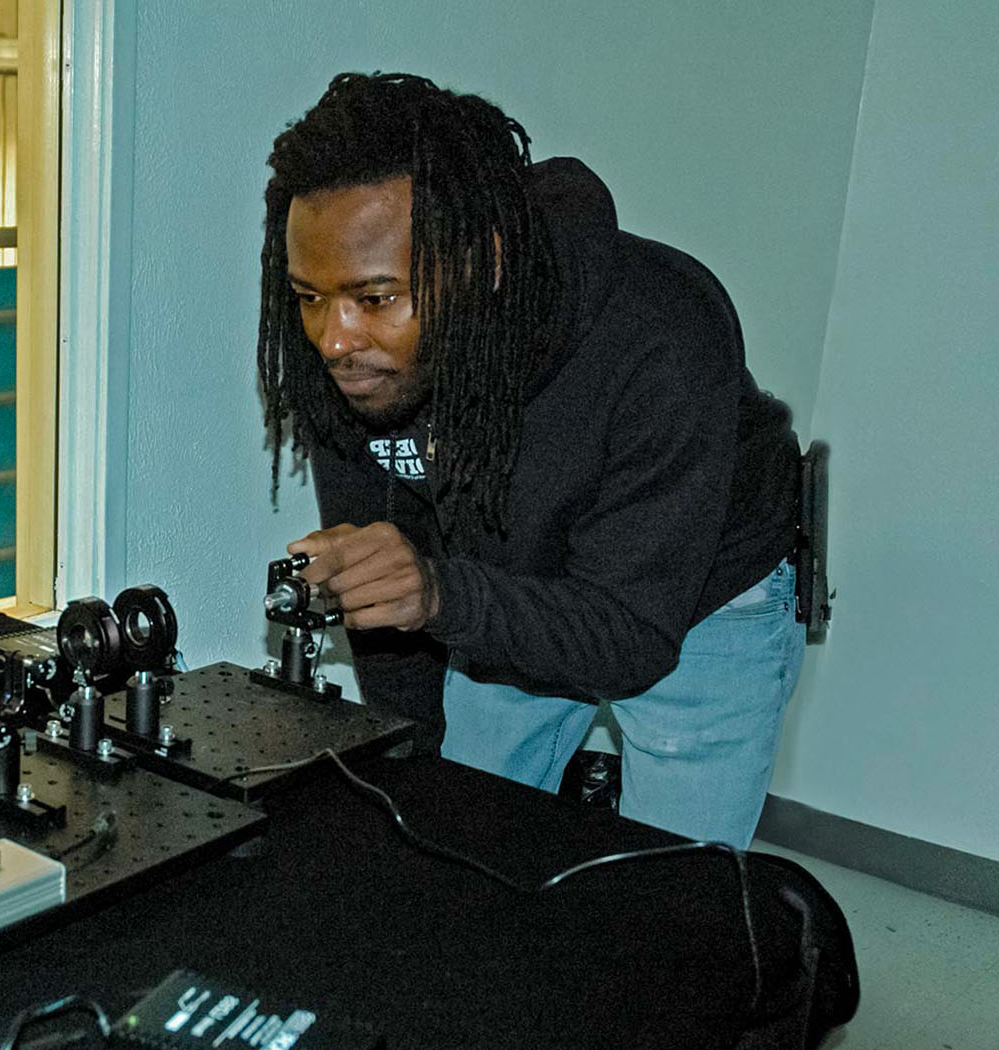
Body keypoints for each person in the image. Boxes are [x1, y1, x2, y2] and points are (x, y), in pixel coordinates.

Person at [256, 72, 803, 849]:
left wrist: (442, 596)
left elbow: (630, 636)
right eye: (309, 296)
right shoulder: (353, 354)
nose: (334, 338)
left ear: (487, 261)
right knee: (462, 835)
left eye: (375, 297)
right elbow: (382, 592)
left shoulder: (662, 335)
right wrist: (422, 771)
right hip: (504, 573)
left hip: (702, 591)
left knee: (674, 901)